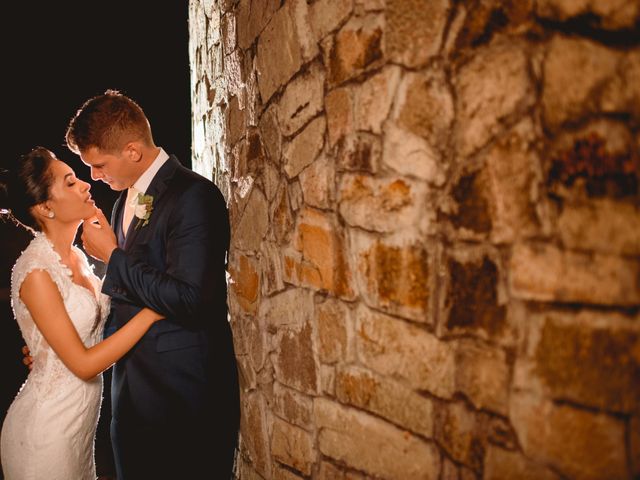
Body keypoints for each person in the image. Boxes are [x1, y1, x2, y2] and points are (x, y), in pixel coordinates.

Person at [66, 89, 239, 479]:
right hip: (132, 394)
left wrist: (113, 256)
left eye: (98, 164)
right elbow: (126, 293)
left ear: (132, 151)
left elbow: (191, 297)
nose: (94, 176)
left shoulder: (193, 195)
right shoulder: (121, 201)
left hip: (182, 396)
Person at [0, 146, 164, 479]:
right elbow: (84, 363)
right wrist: (154, 311)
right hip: (46, 432)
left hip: (78, 431)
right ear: (46, 207)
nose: (86, 185)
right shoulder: (36, 273)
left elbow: (95, 328)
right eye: (71, 182)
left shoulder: (79, 259)